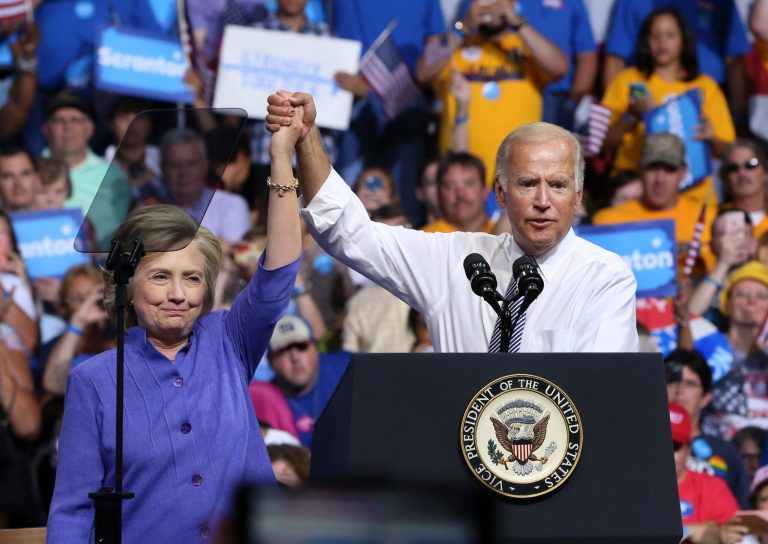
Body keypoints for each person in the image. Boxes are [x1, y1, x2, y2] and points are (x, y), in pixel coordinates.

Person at [46, 106, 304, 541]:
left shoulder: (229, 339)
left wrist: (281, 155)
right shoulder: (93, 381)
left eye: (192, 278)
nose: (178, 295)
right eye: (160, 277)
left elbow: (277, 275)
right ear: (127, 286)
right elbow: (73, 510)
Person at [266, 91, 639, 352]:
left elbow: (599, 393)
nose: (543, 201)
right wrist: (307, 137)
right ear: (501, 193)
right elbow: (347, 231)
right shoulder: (456, 260)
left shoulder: (604, 277)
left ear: (578, 195)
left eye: (557, 185)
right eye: (527, 184)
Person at [601, 6, 735, 205]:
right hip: (636, 194)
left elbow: (729, 152)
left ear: (684, 40)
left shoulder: (705, 86)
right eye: (655, 36)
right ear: (646, 41)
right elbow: (604, 143)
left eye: (670, 35)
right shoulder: (627, 81)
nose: (662, 42)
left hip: (695, 197)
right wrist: (630, 116)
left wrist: (712, 138)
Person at [592, 133, 717, 273]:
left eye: (669, 170)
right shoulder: (607, 222)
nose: (660, 179)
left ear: (683, 173)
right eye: (652, 168)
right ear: (639, 169)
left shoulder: (709, 218)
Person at [666, 349, 751, 507]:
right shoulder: (643, 447)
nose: (679, 390)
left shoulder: (726, 453)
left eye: (690, 383)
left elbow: (741, 514)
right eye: (672, 380)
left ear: (706, 397)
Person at [250, 315, 351, 447]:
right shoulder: (268, 402)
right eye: (283, 351)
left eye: (301, 346)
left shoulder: (347, 366)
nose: (295, 357)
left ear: (315, 347)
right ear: (270, 361)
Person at [159, 128, 252, 243]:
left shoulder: (230, 205)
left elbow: (235, 256)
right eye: (174, 165)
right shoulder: (148, 210)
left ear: (205, 166)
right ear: (162, 169)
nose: (183, 172)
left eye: (191, 164)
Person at [670, 402, 741, 543]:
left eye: (674, 446)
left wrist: (711, 533)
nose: (666, 454)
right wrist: (692, 530)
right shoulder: (633, 488)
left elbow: (731, 532)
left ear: (688, 449)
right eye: (659, 445)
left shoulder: (712, 486)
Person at [422, 152, 493, 234]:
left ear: (485, 191)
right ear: (439, 195)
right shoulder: (424, 241)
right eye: (450, 186)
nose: (460, 194)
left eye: (469, 184)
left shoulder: (507, 237)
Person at [721, 140, 768, 240]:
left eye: (751, 164)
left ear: (765, 173)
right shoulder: (712, 218)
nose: (741, 172)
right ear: (726, 178)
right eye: (733, 167)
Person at [0, 146, 38, 213]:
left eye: (25, 174)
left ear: (36, 178)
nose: (18, 184)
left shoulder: (60, 219)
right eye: (8, 176)